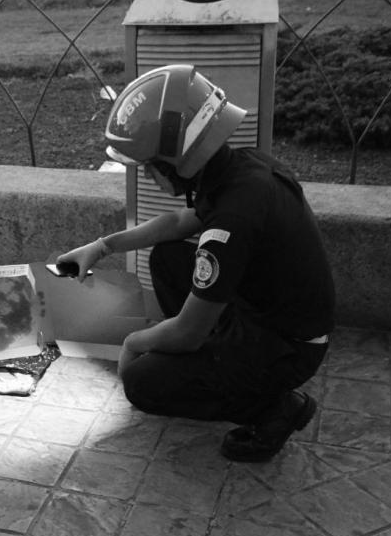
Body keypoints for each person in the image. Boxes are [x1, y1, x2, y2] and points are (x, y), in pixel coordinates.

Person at [58, 64, 335, 463]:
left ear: (177, 160)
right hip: (266, 313)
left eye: (150, 167)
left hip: (286, 346)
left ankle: (274, 408)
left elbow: (188, 332)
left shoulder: (233, 220)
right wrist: (100, 247)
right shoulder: (240, 169)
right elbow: (176, 223)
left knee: (141, 384)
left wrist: (134, 343)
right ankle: (214, 361)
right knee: (170, 257)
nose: (149, 177)